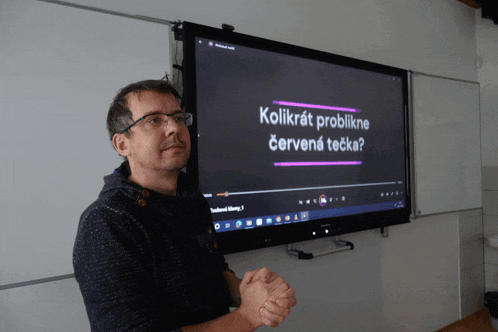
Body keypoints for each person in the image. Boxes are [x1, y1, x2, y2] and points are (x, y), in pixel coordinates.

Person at [73, 79, 297, 332]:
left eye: (178, 117)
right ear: (122, 144)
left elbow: (213, 275)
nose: (174, 129)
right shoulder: (107, 222)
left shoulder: (190, 198)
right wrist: (246, 316)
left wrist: (249, 291)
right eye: (154, 120)